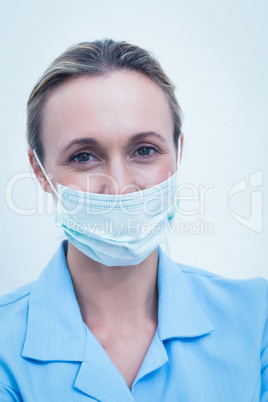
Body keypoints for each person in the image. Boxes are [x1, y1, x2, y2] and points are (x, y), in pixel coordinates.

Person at [0, 39, 267, 401]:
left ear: (178, 153)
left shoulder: (257, 318)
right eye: (83, 157)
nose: (121, 187)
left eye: (144, 150)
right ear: (40, 172)